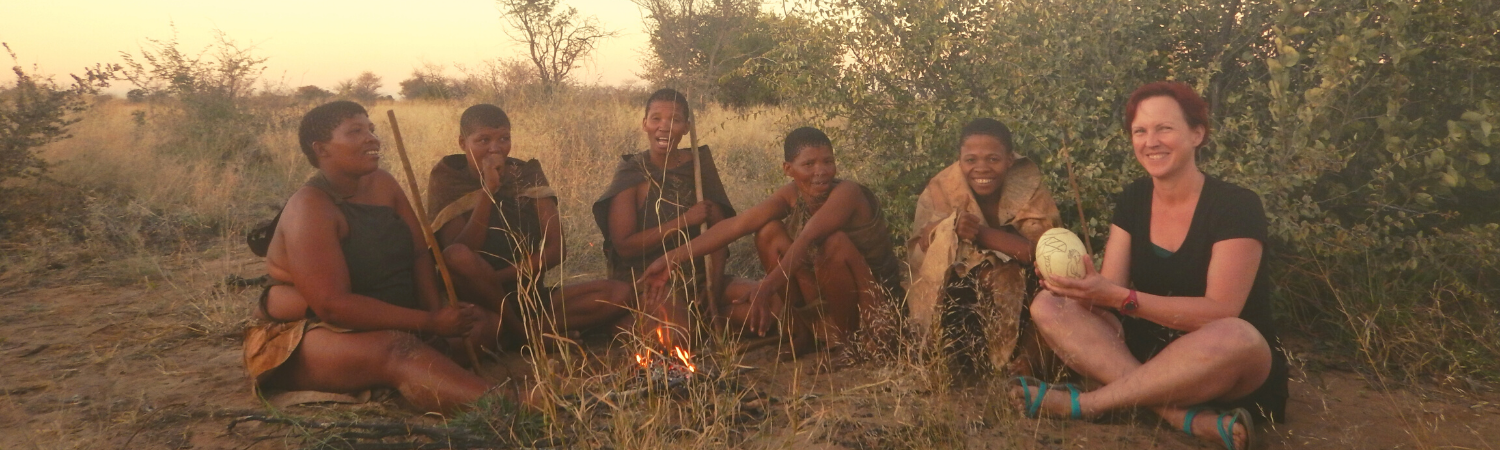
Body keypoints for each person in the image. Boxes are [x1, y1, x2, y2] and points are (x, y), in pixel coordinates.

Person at [1016, 82, 1288, 450]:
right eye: (1140, 131)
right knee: (1047, 305)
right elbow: (1110, 289)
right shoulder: (1133, 199)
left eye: (1165, 128)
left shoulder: (1236, 206)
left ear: (1197, 134)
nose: (1151, 141)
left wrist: (1121, 297)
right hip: (1146, 354)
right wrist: (1081, 289)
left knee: (1236, 335)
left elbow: (1219, 311)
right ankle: (1181, 416)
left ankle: (1089, 404)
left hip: (1222, 364)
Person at [243, 101, 518, 415]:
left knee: (486, 325)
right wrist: (428, 322)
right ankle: (514, 403)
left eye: (371, 129)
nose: (372, 138)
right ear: (322, 149)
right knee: (397, 348)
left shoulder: (384, 184)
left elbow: (418, 254)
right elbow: (333, 306)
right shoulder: (310, 207)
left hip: (387, 314)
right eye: (355, 131)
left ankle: (413, 370)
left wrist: (435, 317)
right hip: (306, 334)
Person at [642, 127, 903, 358]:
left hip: (874, 298)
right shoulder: (791, 194)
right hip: (828, 290)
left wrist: (765, 288)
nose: (820, 172)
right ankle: (802, 334)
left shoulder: (848, 193)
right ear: (788, 169)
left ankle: (848, 345)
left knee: (835, 243)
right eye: (809, 164)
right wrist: (671, 258)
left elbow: (809, 236)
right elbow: (737, 225)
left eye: (828, 162)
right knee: (768, 232)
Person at [427, 104, 633, 347]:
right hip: (478, 300)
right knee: (459, 258)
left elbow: (556, 250)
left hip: (529, 296)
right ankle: (525, 336)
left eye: (504, 138)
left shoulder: (526, 174)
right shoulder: (449, 179)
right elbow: (457, 255)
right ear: (463, 143)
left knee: (619, 293)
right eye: (483, 140)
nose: (495, 148)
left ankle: (520, 331)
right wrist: (487, 192)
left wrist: (495, 279)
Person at [591, 88, 754, 349]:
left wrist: (713, 284)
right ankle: (626, 321)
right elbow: (624, 246)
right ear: (645, 124)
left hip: (699, 276)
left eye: (675, 120)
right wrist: (685, 220)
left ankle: (705, 317)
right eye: (656, 118)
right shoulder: (632, 172)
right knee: (677, 337)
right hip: (651, 280)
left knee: (769, 305)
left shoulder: (699, 167)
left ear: (687, 127)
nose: (664, 127)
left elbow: (720, 234)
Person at [907, 118, 1060, 376]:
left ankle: (1027, 360)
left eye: (993, 159)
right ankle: (947, 355)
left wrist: (978, 233)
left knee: (1049, 284)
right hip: (961, 290)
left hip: (1025, 287)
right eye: (971, 160)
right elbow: (922, 250)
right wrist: (946, 229)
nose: (982, 168)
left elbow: (1042, 253)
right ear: (959, 160)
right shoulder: (942, 188)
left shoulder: (1029, 188)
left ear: (1009, 160)